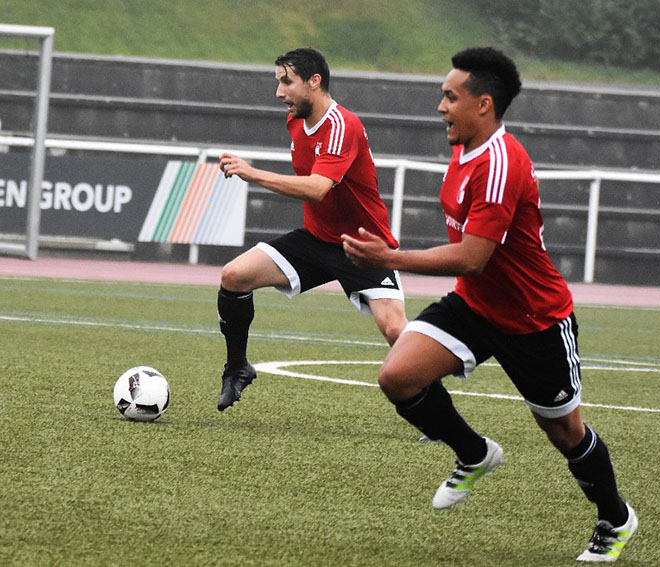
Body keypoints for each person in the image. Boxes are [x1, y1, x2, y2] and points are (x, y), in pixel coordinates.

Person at [342, 47, 636, 563]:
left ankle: (615, 517)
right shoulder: (463, 147)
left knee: (566, 432)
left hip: (534, 319)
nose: (440, 106)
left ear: (483, 104)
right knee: (398, 376)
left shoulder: (500, 163)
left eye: (450, 97)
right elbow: (473, 268)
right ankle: (474, 453)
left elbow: (474, 257)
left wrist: (391, 257)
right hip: (475, 307)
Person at [215, 47, 407, 411]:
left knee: (396, 331)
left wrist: (251, 172)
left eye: (286, 82)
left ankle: (431, 403)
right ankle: (237, 368)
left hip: (362, 246)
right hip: (316, 239)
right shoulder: (295, 120)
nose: (279, 92)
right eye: (277, 82)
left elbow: (318, 188)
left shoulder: (341, 125)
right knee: (234, 275)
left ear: (314, 82)